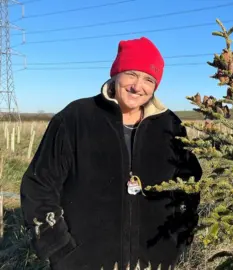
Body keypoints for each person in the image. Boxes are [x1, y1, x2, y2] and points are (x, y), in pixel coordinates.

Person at [20, 37, 203, 270]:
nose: (138, 86)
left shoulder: (170, 126)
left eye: (149, 79)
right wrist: (59, 249)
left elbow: (190, 185)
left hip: (155, 262)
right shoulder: (76, 118)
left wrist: (178, 239)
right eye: (132, 74)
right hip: (84, 262)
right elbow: (39, 186)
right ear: (116, 74)